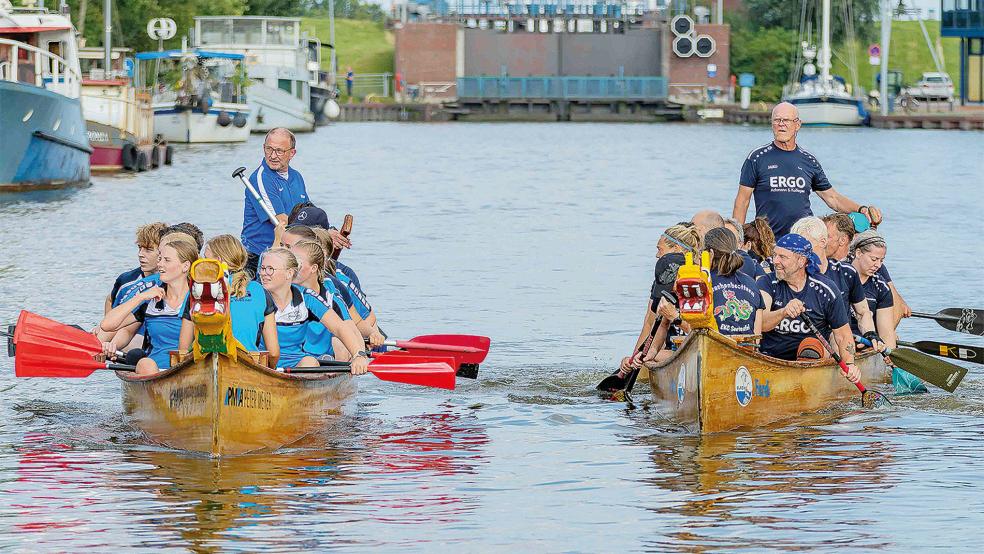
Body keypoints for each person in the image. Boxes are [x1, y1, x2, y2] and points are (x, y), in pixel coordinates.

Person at [732, 102, 883, 237]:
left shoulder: (809, 161)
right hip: (768, 240)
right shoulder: (757, 157)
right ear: (772, 124)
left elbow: (832, 198)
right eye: (777, 120)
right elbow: (742, 201)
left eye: (786, 120)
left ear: (798, 124)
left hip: (803, 238)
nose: (781, 124)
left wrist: (861, 209)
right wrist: (737, 240)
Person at [756, 234, 860, 383]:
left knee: (809, 346)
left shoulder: (826, 289)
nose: (775, 261)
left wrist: (850, 364)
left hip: (811, 357)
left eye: (782, 257)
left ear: (801, 261)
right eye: (775, 255)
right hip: (771, 358)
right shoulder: (766, 282)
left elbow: (843, 334)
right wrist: (783, 312)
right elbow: (761, 323)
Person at [257, 247, 369, 373]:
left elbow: (339, 327)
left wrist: (358, 355)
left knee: (310, 362)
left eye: (270, 269)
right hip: (260, 361)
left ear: (289, 273)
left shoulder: (307, 298)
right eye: (262, 268)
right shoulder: (255, 296)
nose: (263, 273)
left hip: (295, 363)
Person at [177, 235, 279, 368]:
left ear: (218, 261)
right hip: (247, 366)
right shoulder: (259, 290)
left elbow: (183, 350)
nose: (202, 263)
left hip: (204, 365)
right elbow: (273, 353)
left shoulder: (198, 289)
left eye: (206, 259)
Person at [99, 240, 199, 375]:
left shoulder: (199, 300)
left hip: (191, 370)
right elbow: (107, 325)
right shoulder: (151, 300)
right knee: (145, 363)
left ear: (185, 266)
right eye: (159, 259)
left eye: (167, 260)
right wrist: (140, 297)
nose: (160, 264)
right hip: (152, 370)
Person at [847, 230, 926, 393]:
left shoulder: (880, 287)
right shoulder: (839, 276)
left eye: (882, 260)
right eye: (874, 259)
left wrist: (891, 355)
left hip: (866, 342)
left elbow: (886, 331)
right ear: (858, 253)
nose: (878, 265)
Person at [618, 223, 702, 374]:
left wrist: (675, 318)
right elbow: (654, 323)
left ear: (676, 249)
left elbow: (703, 334)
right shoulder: (664, 276)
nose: (657, 255)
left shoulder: (699, 282)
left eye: (659, 249)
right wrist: (635, 360)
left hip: (698, 351)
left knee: (661, 355)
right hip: (675, 351)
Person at [282, 225, 384, 347]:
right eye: (281, 246)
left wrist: (370, 337)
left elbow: (355, 323)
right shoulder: (276, 282)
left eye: (289, 248)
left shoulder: (334, 286)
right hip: (294, 353)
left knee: (339, 342)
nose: (283, 253)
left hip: (330, 348)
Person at [790, 216, 881, 349]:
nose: (799, 251)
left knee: (834, 336)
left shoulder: (846, 273)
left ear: (822, 242)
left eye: (805, 244)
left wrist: (870, 333)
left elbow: (862, 313)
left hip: (836, 342)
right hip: (797, 340)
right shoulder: (791, 272)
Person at [241, 128, 310, 277]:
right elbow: (282, 222)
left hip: (288, 252)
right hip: (258, 256)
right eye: (269, 149)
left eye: (279, 151)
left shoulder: (296, 177)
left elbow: (307, 214)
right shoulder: (260, 178)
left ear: (292, 153)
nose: (272, 156)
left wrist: (327, 232)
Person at [823, 212, 911, 325]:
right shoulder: (825, 259)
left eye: (856, 233)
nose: (853, 237)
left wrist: (885, 335)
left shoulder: (875, 265)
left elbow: (893, 300)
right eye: (850, 232)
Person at [703, 227, 763, 336]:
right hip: (746, 350)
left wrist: (674, 317)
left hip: (713, 349)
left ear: (710, 254)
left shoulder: (704, 282)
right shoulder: (752, 283)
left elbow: (695, 332)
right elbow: (756, 338)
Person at [105, 222, 168, 315]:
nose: (140, 254)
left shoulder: (172, 280)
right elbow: (110, 299)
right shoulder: (126, 281)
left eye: (148, 250)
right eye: (139, 248)